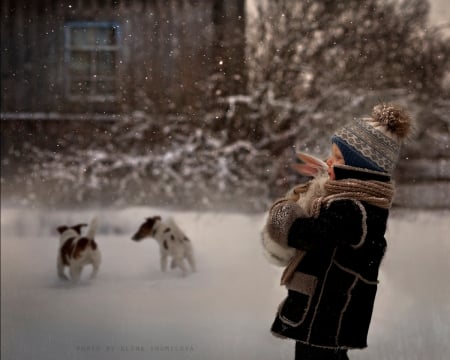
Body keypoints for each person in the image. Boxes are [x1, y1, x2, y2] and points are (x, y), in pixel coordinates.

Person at [262, 103, 412, 360]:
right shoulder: (357, 202)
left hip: (327, 311)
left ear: (361, 168)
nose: (329, 162)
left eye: (339, 158)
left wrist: (288, 220)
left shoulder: (353, 208)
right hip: (329, 311)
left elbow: (315, 235)